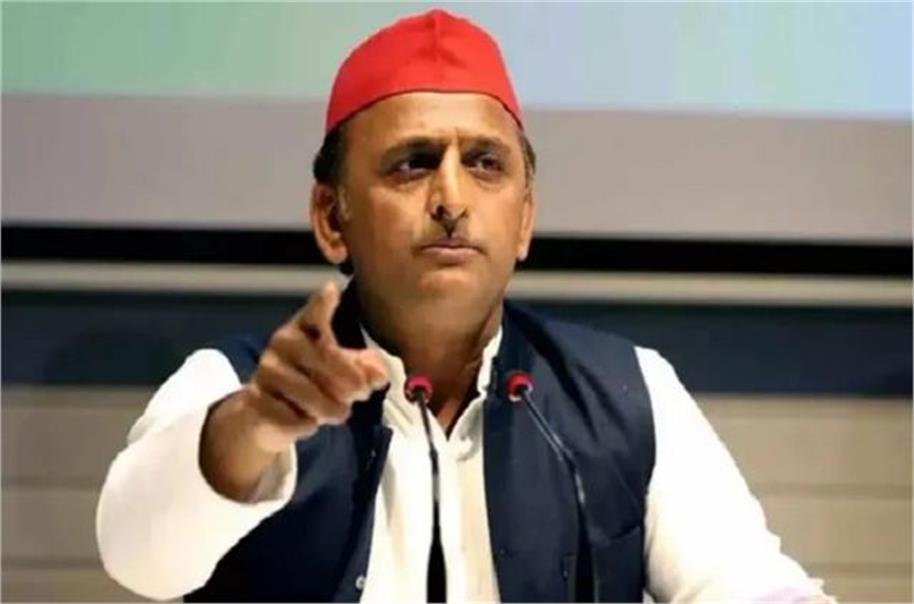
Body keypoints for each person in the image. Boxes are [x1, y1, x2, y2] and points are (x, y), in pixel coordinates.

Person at [97, 9, 833, 603]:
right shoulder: (235, 387)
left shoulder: (627, 393)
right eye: (412, 164)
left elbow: (748, 583)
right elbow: (136, 558)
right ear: (331, 216)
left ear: (525, 218)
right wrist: (252, 431)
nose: (451, 198)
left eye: (485, 164)